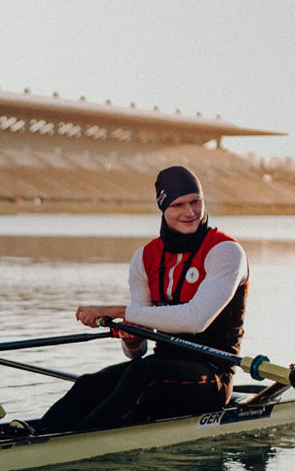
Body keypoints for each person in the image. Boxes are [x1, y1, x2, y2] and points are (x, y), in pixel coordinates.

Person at [23, 165, 249, 434]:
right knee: (90, 383)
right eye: (178, 205)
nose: (189, 213)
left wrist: (119, 311)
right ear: (163, 208)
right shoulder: (145, 258)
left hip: (212, 376)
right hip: (160, 369)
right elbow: (137, 352)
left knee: (142, 375)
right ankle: (37, 436)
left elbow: (196, 319)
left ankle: (76, 443)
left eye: (195, 202)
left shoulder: (226, 251)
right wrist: (134, 340)